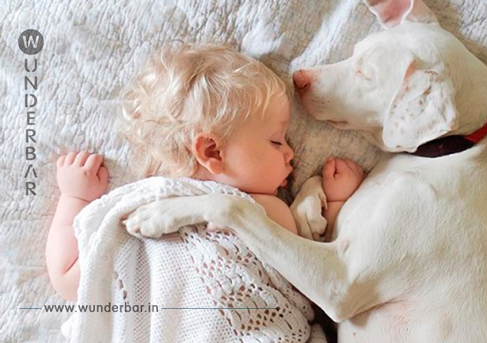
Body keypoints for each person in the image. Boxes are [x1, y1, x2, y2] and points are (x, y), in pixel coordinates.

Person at [46, 44, 364, 313]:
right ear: (212, 151)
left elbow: (316, 276)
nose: (290, 154)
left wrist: (335, 203)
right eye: (276, 141)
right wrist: (75, 199)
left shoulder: (273, 212)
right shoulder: (144, 208)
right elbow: (72, 281)